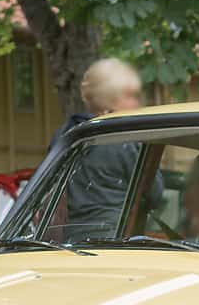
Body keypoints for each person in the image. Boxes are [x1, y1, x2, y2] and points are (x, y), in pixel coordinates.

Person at [47, 58, 147, 237]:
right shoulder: (124, 141)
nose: (137, 103)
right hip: (116, 240)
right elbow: (152, 192)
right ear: (110, 100)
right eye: (131, 96)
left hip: (68, 241)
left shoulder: (65, 137)